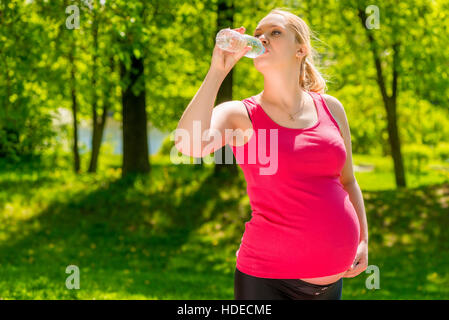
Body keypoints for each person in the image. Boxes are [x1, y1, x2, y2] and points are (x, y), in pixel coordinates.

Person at [175, 8, 369, 300]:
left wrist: (363, 241)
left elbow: (349, 181)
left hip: (331, 283)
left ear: (300, 50)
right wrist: (217, 71)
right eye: (257, 35)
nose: (262, 38)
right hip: (267, 280)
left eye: (275, 33)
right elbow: (188, 144)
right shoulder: (241, 114)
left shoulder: (331, 108)